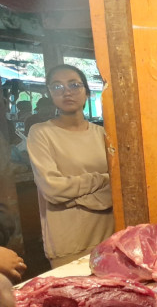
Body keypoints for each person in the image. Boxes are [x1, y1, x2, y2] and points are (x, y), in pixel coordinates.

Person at [27, 64, 114, 268]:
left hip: (108, 234)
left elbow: (117, 187)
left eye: (74, 85)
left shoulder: (103, 134)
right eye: (57, 86)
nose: (66, 92)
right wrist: (102, 179)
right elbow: (53, 190)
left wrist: (73, 199)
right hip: (68, 240)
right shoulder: (40, 133)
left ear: (87, 91)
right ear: (50, 93)